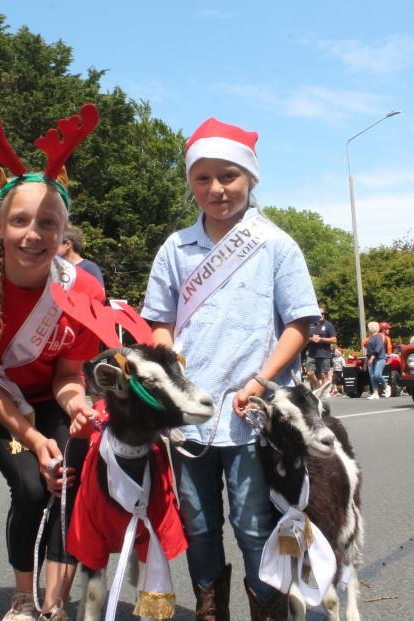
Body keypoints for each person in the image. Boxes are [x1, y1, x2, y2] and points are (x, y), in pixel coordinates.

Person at [141, 117, 320, 620]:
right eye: (204, 178)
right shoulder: (175, 248)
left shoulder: (275, 244)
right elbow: (158, 321)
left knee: (252, 522)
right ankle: (209, 612)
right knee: (197, 523)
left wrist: (261, 381)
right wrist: (166, 357)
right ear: (191, 183)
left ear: (251, 179)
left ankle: (268, 611)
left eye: (229, 176)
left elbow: (299, 324)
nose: (217, 189)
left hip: (251, 412)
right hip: (192, 416)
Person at [0, 107, 102, 621]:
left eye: (47, 223)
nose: (33, 234)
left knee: (70, 479)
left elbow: (67, 375)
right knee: (33, 484)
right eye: (20, 221)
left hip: (48, 396)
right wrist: (35, 440)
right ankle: (22, 595)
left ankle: (54, 602)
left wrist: (77, 404)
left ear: (64, 233)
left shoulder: (83, 287)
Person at [58, 224, 105, 290]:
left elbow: (100, 296)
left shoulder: (90, 268)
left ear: (67, 245)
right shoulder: (57, 268)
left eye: (57, 243)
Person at [304, 308, 337, 388]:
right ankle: (318, 387)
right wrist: (311, 339)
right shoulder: (310, 325)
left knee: (324, 375)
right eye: (320, 314)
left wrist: (321, 339)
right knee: (309, 373)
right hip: (312, 353)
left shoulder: (328, 325)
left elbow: (334, 340)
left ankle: (322, 393)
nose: (322, 315)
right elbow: (304, 338)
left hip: (324, 354)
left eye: (323, 314)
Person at [365, 321, 386, 400]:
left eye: (368, 327)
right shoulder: (369, 338)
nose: (367, 329)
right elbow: (369, 351)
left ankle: (386, 386)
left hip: (379, 358)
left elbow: (379, 347)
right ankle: (375, 393)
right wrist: (366, 361)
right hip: (371, 359)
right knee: (372, 377)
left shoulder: (379, 336)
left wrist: (373, 357)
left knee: (377, 375)